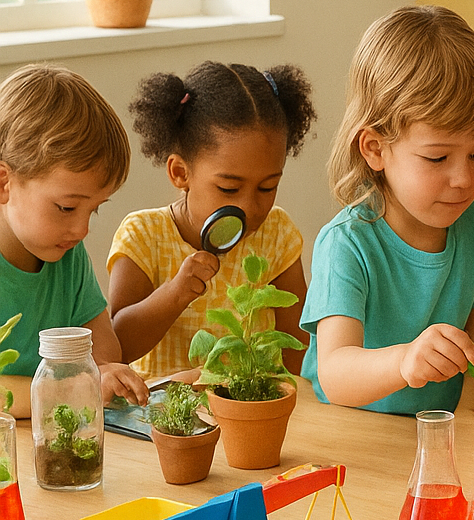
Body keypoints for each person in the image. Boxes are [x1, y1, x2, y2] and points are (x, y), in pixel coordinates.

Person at [301, 5, 474, 414]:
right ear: (375, 149)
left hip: (439, 434)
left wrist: (469, 433)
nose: (464, 179)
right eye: (437, 158)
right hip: (355, 432)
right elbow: (336, 372)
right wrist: (404, 361)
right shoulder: (347, 243)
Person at [108, 62, 317, 378]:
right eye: (229, 188)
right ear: (181, 173)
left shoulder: (277, 233)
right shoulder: (143, 236)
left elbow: (298, 346)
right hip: (164, 414)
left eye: (268, 186)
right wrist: (175, 292)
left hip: (252, 412)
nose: (249, 206)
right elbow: (117, 347)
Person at [0, 65, 147, 416]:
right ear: (4, 182)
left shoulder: (67, 255)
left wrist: (111, 376)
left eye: (93, 210)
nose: (82, 230)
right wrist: (72, 388)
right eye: (66, 208)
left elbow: (104, 358)